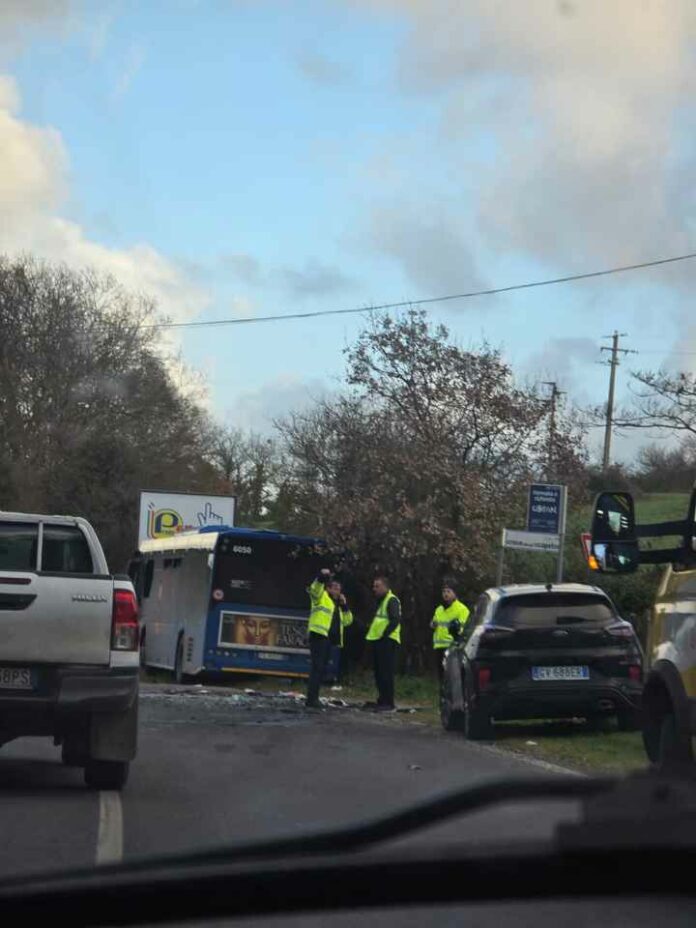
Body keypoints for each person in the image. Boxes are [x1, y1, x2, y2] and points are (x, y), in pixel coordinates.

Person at [306, 568, 353, 708]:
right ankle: (312, 700)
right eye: (334, 588)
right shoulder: (321, 597)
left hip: (329, 640)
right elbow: (314, 589)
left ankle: (314, 698)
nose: (337, 590)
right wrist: (321, 577)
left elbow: (348, 621)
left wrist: (344, 606)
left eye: (339, 588)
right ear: (328, 588)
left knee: (321, 669)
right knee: (317, 668)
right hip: (318, 635)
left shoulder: (337, 606)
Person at [365, 575, 401, 711]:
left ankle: (388, 702)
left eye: (377, 586)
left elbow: (395, 619)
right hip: (378, 640)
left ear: (386, 587)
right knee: (379, 672)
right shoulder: (381, 601)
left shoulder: (391, 600)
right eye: (374, 586)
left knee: (386, 672)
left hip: (387, 641)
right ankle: (382, 699)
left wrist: (384, 634)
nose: (374, 589)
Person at [431, 582, 471, 684]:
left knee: (452, 678)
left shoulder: (462, 609)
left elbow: (464, 629)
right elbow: (434, 623)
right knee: (442, 678)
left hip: (452, 647)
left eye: (448, 591)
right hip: (439, 646)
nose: (445, 594)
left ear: (455, 594)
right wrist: (433, 624)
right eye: (444, 591)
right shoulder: (439, 609)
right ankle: (442, 698)